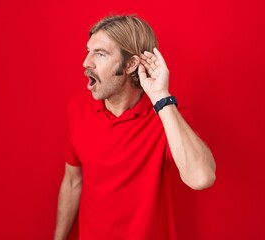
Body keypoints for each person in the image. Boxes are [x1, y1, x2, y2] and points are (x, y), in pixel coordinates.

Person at [54, 14, 216, 240]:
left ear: (130, 64)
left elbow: (201, 178)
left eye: (100, 54)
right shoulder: (78, 109)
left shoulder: (167, 116)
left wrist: (161, 96)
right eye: (88, 51)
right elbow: (73, 182)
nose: (86, 62)